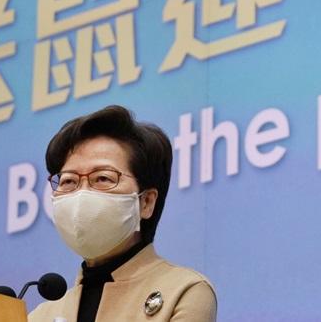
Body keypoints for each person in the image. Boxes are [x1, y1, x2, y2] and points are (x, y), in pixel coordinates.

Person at [28, 105, 217, 322]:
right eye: (69, 181)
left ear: (146, 202)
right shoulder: (40, 316)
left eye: (103, 178)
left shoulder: (184, 291)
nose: (81, 195)